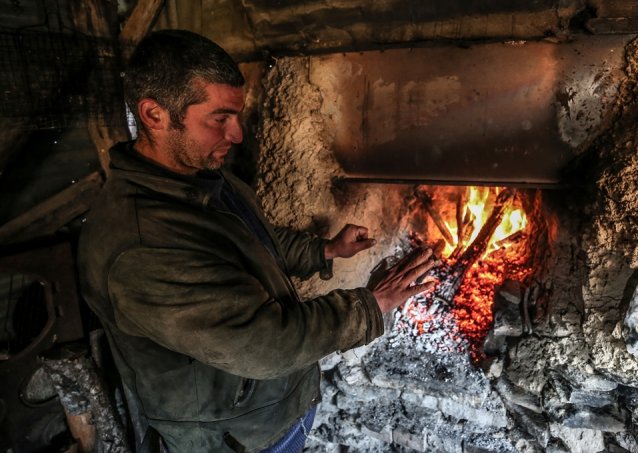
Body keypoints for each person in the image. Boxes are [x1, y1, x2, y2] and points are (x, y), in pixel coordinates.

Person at [78, 29, 436, 453]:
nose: (237, 135)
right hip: (238, 439)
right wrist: (371, 305)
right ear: (154, 115)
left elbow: (253, 242)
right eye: (219, 118)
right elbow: (268, 344)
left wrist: (325, 250)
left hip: (271, 412)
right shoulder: (141, 247)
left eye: (238, 116)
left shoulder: (204, 180)